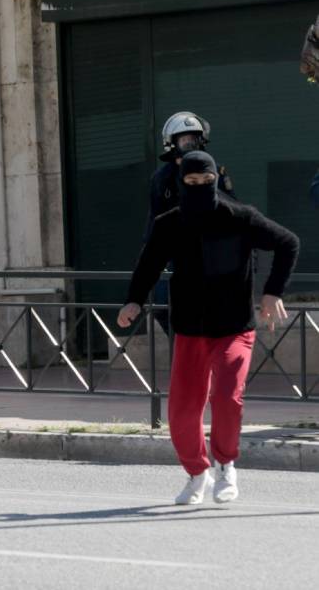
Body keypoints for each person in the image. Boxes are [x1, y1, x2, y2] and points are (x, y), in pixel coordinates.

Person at [118, 151, 299, 505]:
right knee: (182, 411)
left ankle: (226, 465)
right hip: (189, 329)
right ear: (182, 183)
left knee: (227, 396)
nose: (200, 187)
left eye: (207, 181)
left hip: (234, 326)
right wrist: (134, 300)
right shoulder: (169, 223)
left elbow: (288, 242)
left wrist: (272, 292)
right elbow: (149, 263)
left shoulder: (240, 216)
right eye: (192, 182)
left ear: (216, 179)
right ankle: (196, 474)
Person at [146, 112, 236, 336]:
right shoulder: (162, 178)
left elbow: (233, 209)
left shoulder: (212, 171)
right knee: (159, 302)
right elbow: (154, 219)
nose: (189, 145)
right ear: (171, 143)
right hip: (174, 252)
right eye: (184, 140)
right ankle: (182, 343)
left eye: (193, 140)